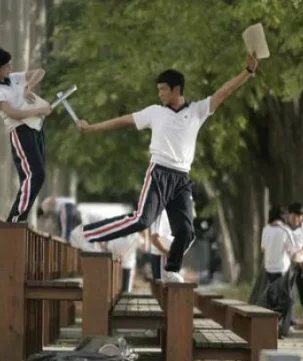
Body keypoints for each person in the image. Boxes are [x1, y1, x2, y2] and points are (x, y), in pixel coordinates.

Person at [69, 54, 260, 282]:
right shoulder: (155, 112)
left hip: (182, 179)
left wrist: (247, 72)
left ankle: (170, 269)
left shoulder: (198, 111)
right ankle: (84, 233)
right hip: (159, 173)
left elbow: (224, 91)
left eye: (163, 89)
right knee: (142, 220)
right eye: (158, 90)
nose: (159, 94)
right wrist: (91, 128)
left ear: (176, 89)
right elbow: (123, 121)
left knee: (186, 232)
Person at [0, 47, 52, 223]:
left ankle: (20, 218)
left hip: (36, 128)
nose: (10, 69)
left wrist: (28, 87)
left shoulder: (13, 79)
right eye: (6, 66)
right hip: (21, 131)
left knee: (36, 176)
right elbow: (14, 114)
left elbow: (40, 72)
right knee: (35, 174)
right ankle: (15, 219)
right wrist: (40, 109)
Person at [261, 206, 301, 283]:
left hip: (268, 268)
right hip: (282, 269)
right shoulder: (286, 230)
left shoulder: (266, 229)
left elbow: (263, 248)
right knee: (284, 293)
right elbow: (292, 251)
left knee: (273, 292)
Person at [149, 210, 174, 280]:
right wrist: (167, 253)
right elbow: (154, 239)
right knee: (163, 286)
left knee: (164, 286)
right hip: (162, 255)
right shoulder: (160, 212)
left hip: (164, 255)